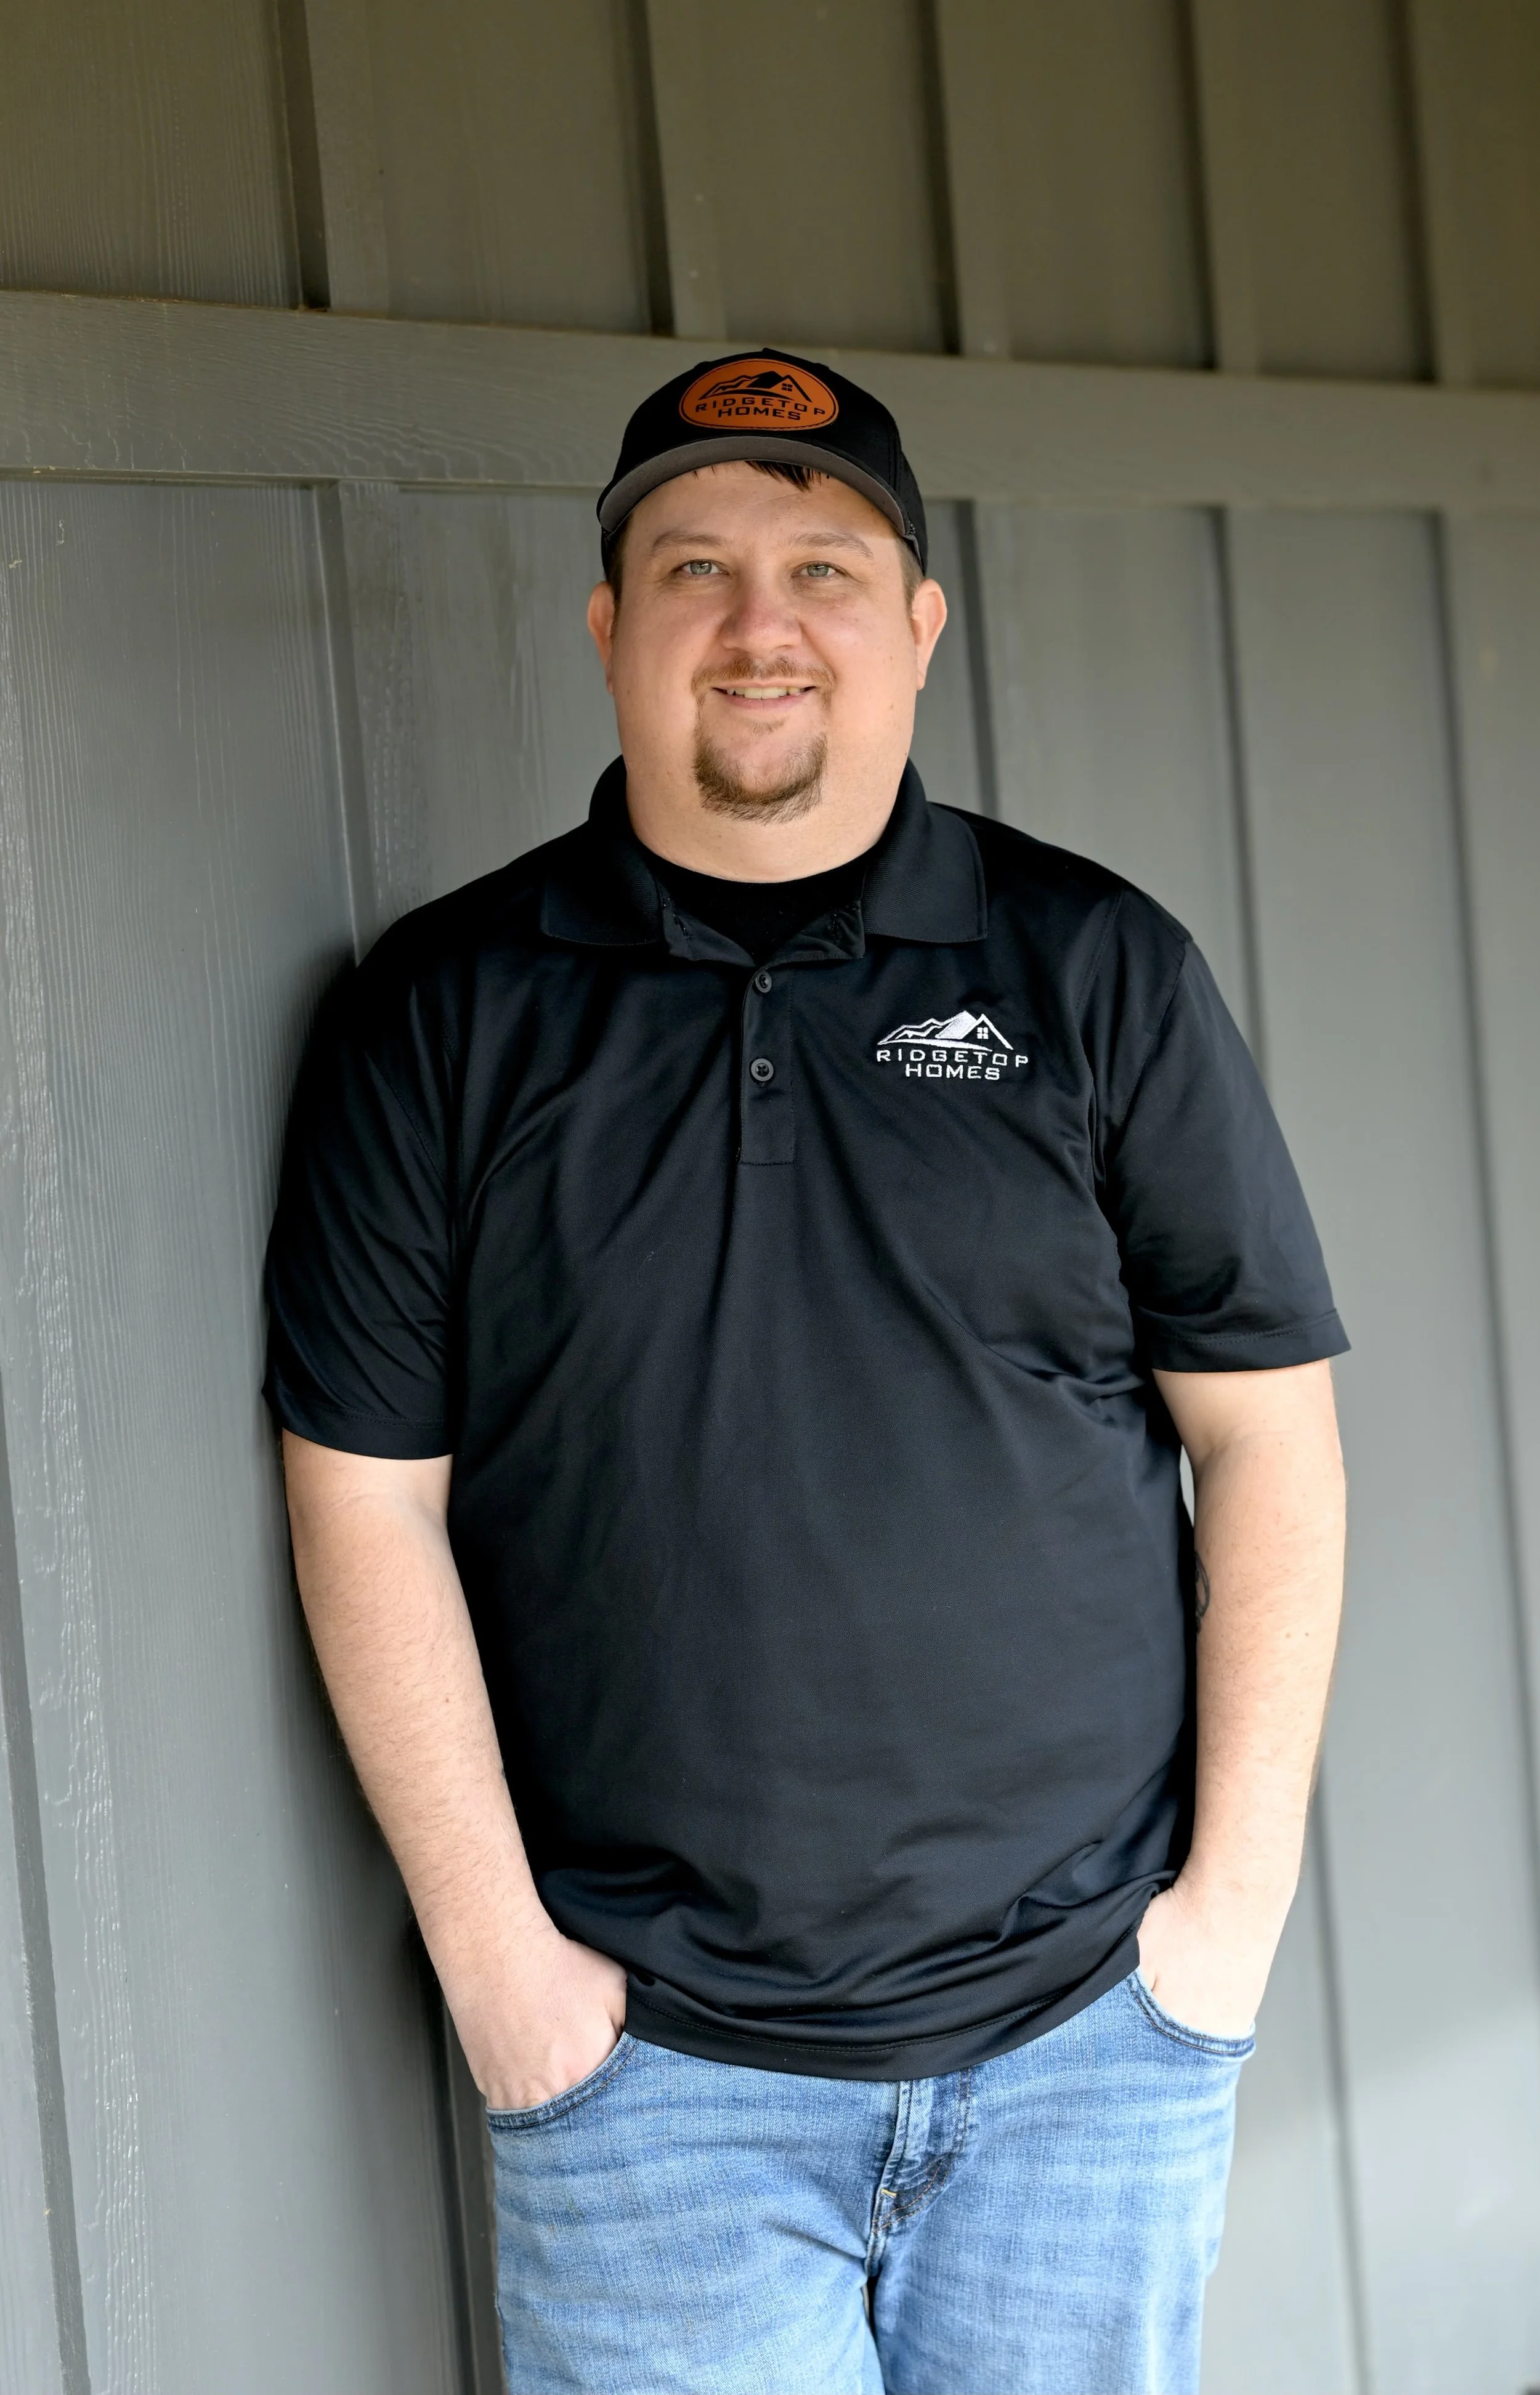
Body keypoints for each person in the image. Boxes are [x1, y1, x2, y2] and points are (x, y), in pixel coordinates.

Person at [264, 348, 1348, 2395]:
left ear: (917, 626)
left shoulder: (1091, 971)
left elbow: (1267, 1438)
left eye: (825, 569)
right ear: (608, 627)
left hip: (1085, 2048)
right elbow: (362, 1495)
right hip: (654, 2078)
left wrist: (1220, 1932)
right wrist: (508, 1982)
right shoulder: (446, 1014)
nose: (761, 628)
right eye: (693, 568)